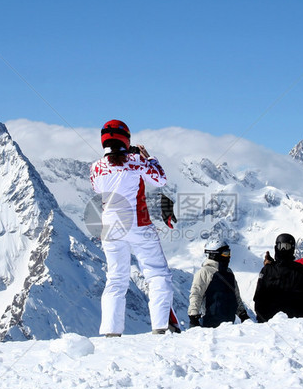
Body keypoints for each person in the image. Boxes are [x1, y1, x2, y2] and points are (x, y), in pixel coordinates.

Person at [90, 119, 175, 336]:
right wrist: (148, 157)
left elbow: (97, 187)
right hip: (138, 223)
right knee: (157, 274)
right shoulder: (137, 161)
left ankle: (111, 331)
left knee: (116, 279)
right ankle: (160, 327)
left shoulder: (96, 167)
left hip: (110, 228)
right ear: (126, 139)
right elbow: (161, 180)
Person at [188, 238, 250, 328]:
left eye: (229, 253)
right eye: (225, 253)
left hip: (229, 325)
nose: (228, 256)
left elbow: (235, 295)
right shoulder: (205, 272)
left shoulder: (229, 273)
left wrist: (242, 314)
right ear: (214, 254)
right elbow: (196, 294)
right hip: (209, 325)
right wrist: (193, 316)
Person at [253, 233, 303, 321]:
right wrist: (261, 318)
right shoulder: (268, 270)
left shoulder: (300, 270)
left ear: (292, 248)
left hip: (294, 323)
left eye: (287, 246)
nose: (283, 249)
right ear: (276, 247)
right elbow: (259, 296)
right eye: (281, 246)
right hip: (269, 322)